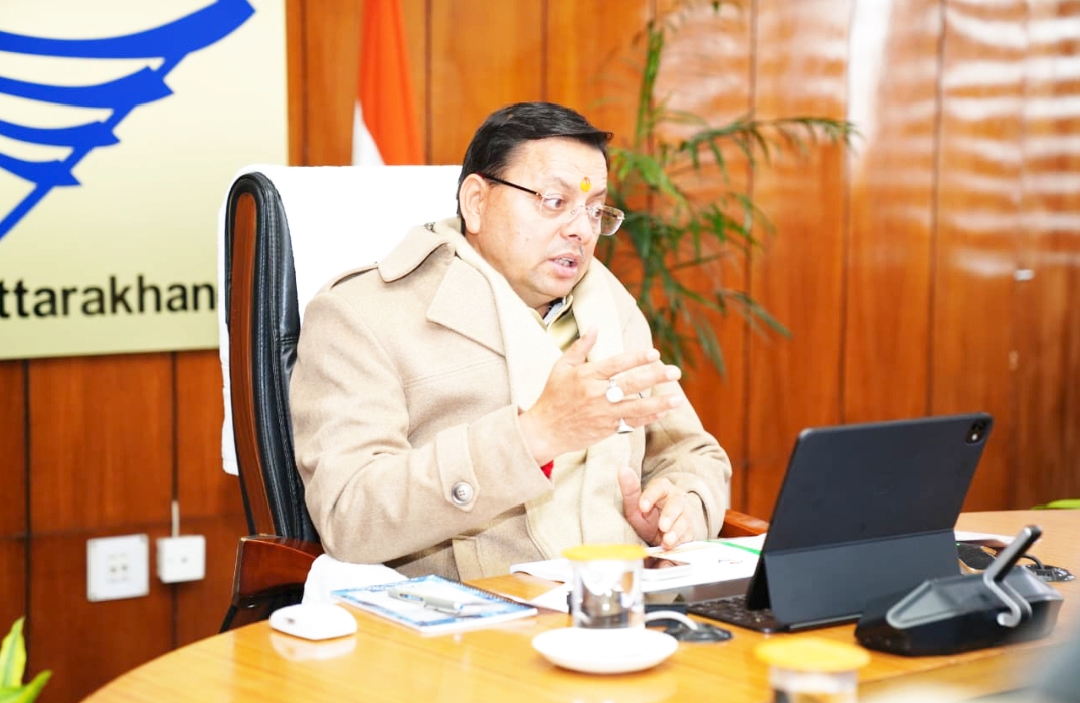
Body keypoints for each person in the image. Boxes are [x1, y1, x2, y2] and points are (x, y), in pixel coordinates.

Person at [289, 101, 731, 581]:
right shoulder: (364, 314)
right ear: (476, 203)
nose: (582, 230)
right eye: (554, 202)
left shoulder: (607, 299)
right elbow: (350, 516)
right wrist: (533, 436)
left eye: (594, 209)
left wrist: (680, 508)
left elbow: (691, 453)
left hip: (628, 598)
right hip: (480, 612)